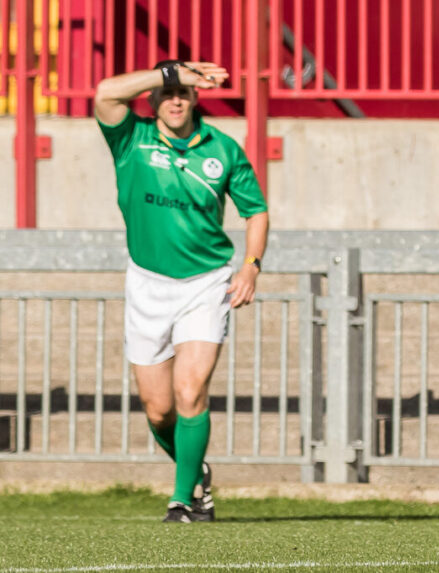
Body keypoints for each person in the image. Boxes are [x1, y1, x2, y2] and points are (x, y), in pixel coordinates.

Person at [94, 60, 269, 523]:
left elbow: (256, 211)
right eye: (168, 94)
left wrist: (250, 266)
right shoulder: (132, 139)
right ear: (153, 100)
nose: (176, 100)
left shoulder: (223, 150)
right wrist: (170, 73)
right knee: (158, 411)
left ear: (196, 100)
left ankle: (181, 500)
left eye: (185, 94)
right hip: (147, 283)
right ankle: (195, 475)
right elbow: (105, 93)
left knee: (191, 391)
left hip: (205, 283)